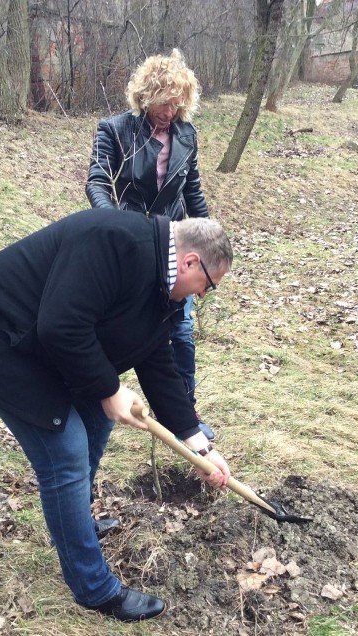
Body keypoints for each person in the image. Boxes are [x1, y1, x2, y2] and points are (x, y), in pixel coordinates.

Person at [0, 208, 232, 621]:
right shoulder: (114, 241)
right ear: (189, 262)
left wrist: (199, 444)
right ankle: (93, 588)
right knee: (66, 453)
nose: (202, 296)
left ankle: (73, 523)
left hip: (44, 345)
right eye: (207, 286)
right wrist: (110, 389)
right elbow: (61, 324)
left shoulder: (161, 283)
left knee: (96, 422)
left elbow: (157, 361)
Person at [86, 49, 215, 441]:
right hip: (132, 247)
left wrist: (209, 235)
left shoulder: (187, 136)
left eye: (179, 104)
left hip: (176, 245)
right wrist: (114, 225)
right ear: (147, 95)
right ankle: (100, 397)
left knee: (182, 330)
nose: (170, 111)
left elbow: (191, 192)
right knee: (131, 326)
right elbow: (97, 182)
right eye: (165, 102)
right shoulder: (115, 130)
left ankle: (184, 413)